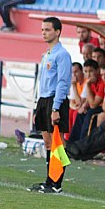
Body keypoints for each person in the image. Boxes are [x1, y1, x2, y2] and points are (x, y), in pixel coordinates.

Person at [27, 16, 72, 194]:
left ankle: (57, 183)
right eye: (42, 30)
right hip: (44, 100)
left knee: (57, 143)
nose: (44, 33)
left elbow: (62, 82)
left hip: (55, 100)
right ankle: (49, 180)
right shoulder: (46, 54)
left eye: (47, 30)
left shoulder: (63, 55)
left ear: (57, 32)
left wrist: (55, 107)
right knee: (47, 142)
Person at [68, 59, 105, 142]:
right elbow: (88, 101)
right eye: (86, 71)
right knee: (80, 112)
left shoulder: (101, 83)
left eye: (91, 71)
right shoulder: (90, 83)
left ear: (98, 70)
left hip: (102, 107)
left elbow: (94, 105)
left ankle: (83, 142)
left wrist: (87, 86)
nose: (88, 74)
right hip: (93, 106)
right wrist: (84, 106)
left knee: (89, 113)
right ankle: (72, 141)